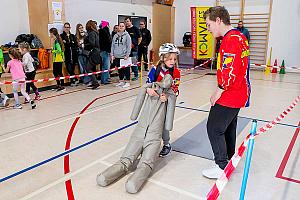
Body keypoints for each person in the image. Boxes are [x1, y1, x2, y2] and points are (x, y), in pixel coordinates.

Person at [97, 74, 176, 194]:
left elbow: (168, 123)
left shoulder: (170, 95)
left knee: (145, 163)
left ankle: (133, 182)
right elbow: (143, 94)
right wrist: (149, 90)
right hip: (139, 132)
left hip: (154, 137)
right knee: (125, 160)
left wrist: (166, 98)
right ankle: (107, 176)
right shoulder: (150, 88)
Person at [202, 6, 251, 179]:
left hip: (231, 92)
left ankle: (221, 165)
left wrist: (219, 90)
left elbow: (229, 70)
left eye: (209, 25)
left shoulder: (230, 40)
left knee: (214, 128)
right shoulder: (240, 36)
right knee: (228, 128)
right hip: (239, 91)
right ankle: (228, 161)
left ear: (218, 20)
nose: (208, 30)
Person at [147, 43, 181, 157]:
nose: (172, 61)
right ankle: (148, 144)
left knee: (164, 124)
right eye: (170, 58)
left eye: (174, 59)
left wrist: (166, 96)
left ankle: (166, 144)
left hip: (166, 103)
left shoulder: (175, 72)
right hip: (153, 101)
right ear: (162, 58)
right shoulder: (155, 70)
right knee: (151, 122)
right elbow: (148, 84)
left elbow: (175, 89)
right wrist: (150, 91)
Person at [111, 22, 132, 88]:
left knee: (126, 69)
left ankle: (128, 82)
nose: (121, 27)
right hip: (117, 55)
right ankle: (121, 81)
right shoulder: (115, 35)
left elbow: (129, 46)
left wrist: (127, 55)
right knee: (120, 69)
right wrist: (112, 54)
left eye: (122, 26)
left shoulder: (127, 35)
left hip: (124, 56)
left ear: (124, 27)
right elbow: (112, 46)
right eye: (120, 26)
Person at [84, 20, 101, 90]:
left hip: (93, 52)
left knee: (88, 68)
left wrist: (84, 45)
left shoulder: (91, 33)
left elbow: (92, 44)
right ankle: (94, 82)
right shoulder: (96, 33)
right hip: (96, 52)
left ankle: (95, 83)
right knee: (92, 68)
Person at [125, 16, 142, 81]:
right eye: (126, 21)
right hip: (126, 50)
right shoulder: (125, 29)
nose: (127, 23)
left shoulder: (135, 29)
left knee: (134, 62)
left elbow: (140, 38)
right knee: (126, 63)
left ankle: (136, 75)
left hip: (134, 49)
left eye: (128, 21)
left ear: (131, 21)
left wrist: (136, 45)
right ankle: (127, 76)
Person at [49, 27, 66, 92]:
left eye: (50, 33)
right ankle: (59, 84)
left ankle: (62, 85)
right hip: (57, 59)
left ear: (53, 33)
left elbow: (59, 50)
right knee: (56, 72)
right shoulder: (56, 40)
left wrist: (52, 51)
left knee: (58, 72)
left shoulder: (56, 41)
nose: (50, 35)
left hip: (58, 59)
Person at [98, 20, 112, 85]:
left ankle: (103, 79)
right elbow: (108, 42)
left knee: (103, 66)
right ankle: (105, 80)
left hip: (101, 50)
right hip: (105, 51)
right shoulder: (105, 32)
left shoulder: (99, 31)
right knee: (106, 66)